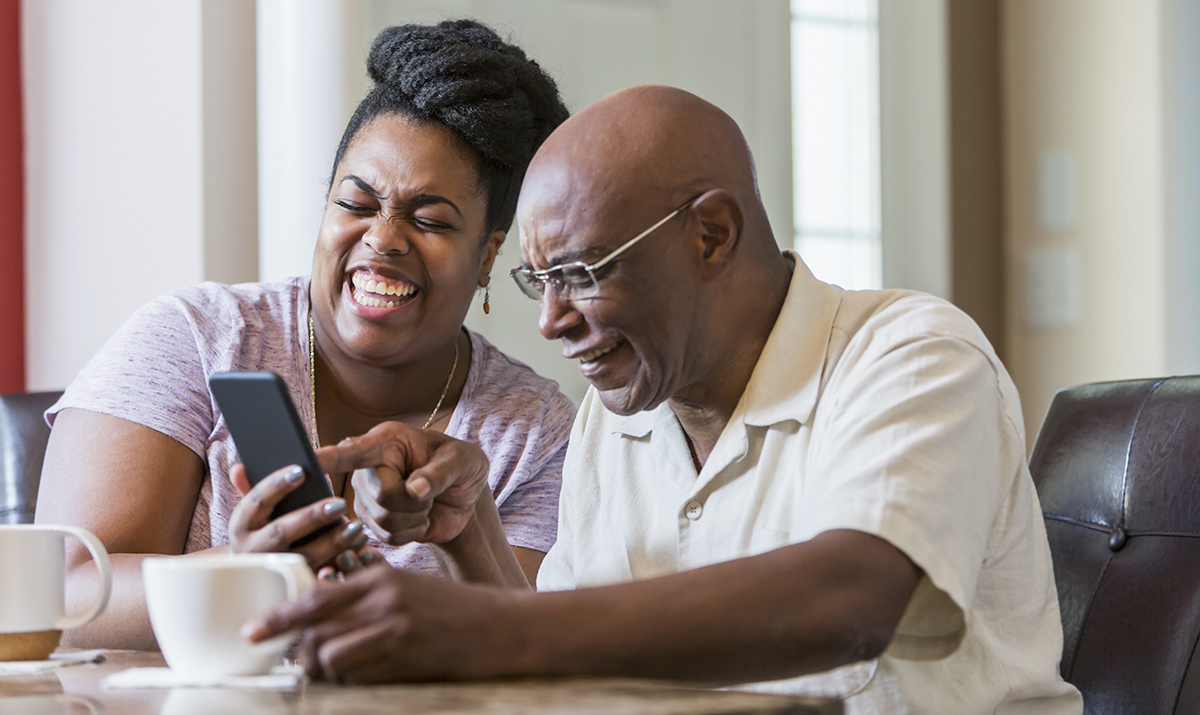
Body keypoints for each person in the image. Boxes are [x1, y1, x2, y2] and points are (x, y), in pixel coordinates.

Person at [246, 86, 1083, 714]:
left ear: (711, 234)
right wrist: (472, 540)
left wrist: (471, 625)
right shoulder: (622, 417)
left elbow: (853, 595)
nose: (550, 321)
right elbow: (569, 668)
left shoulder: (911, 353)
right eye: (537, 281)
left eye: (579, 272)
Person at [34, 20, 574, 651]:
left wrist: (467, 531)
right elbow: (61, 598)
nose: (384, 238)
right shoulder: (195, 339)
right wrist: (247, 575)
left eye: (429, 219)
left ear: (487, 256)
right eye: (356, 204)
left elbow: (530, 660)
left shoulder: (535, 432)